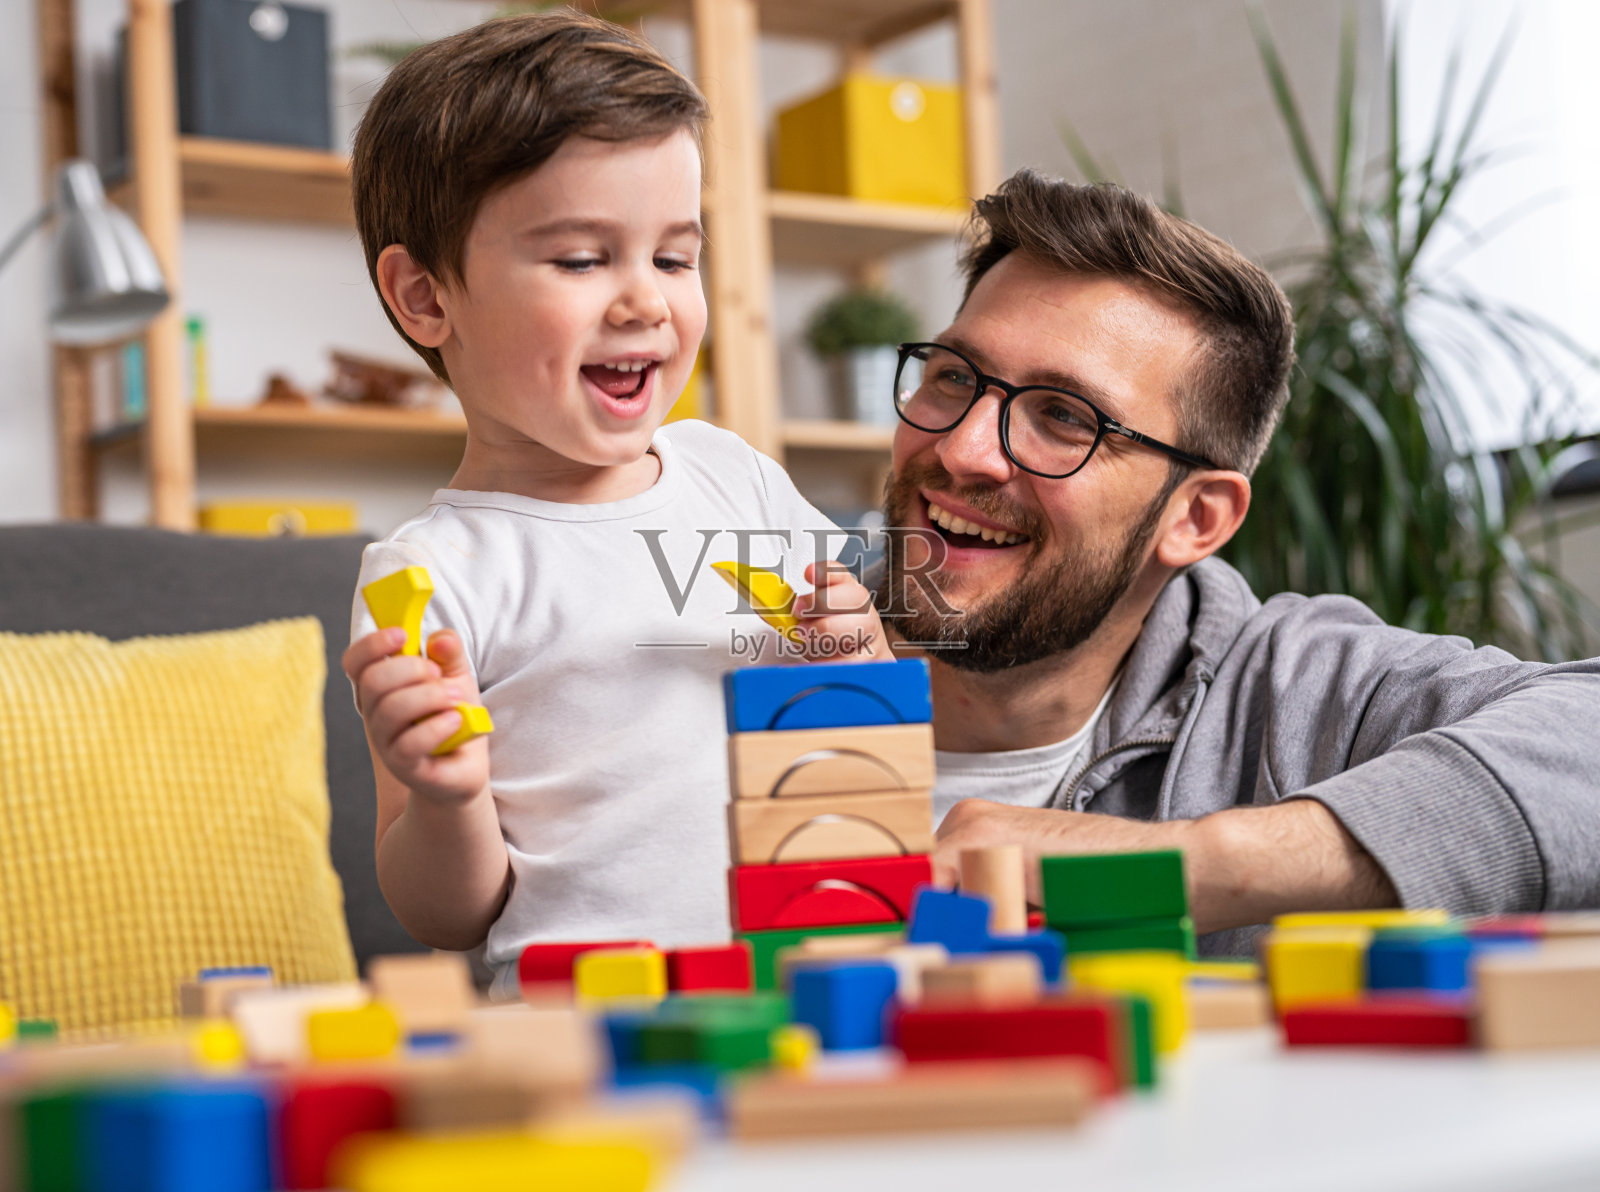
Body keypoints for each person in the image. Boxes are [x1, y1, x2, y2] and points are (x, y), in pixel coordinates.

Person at [875, 170, 1600, 955]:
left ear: (1196, 519)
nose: (963, 450)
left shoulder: (1299, 695)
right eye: (954, 377)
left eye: (1063, 416)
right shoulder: (779, 625)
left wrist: (1185, 865)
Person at [339, 11, 888, 997]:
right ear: (425, 298)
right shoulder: (430, 577)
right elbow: (446, 913)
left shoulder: (732, 475)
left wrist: (854, 651)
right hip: (580, 1019)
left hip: (806, 984)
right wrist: (445, 797)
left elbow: (867, 729)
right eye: (583, 260)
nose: (645, 302)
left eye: (674, 258)